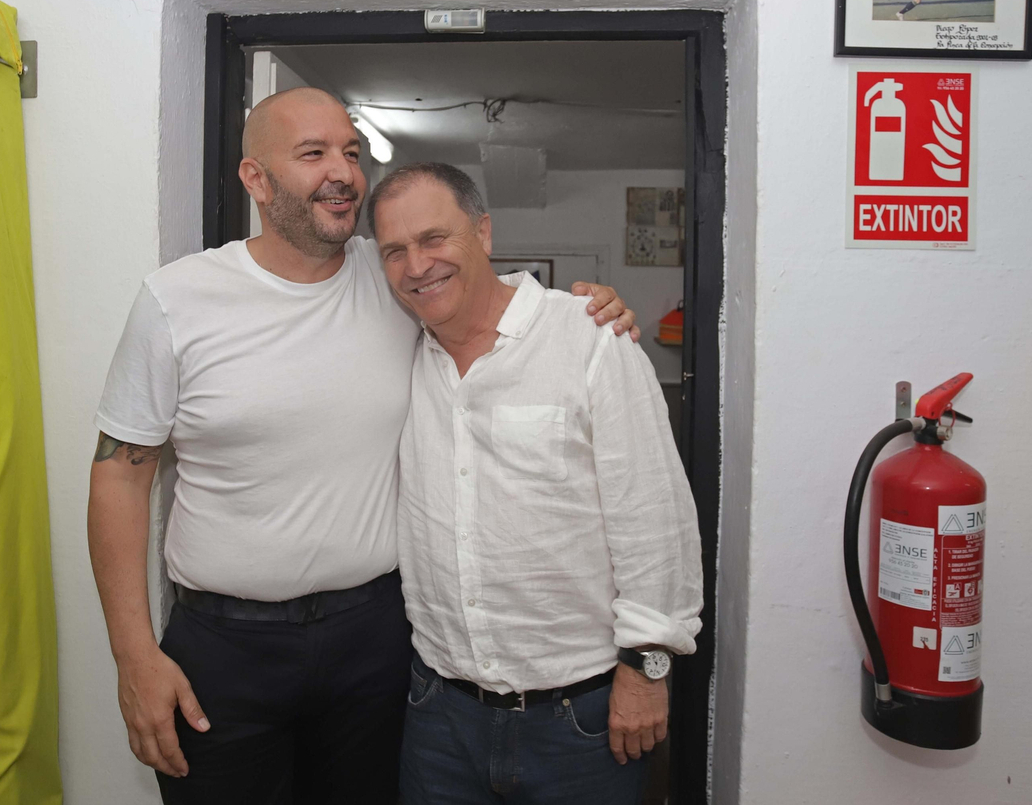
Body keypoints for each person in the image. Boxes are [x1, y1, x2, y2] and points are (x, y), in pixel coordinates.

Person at [87, 88, 636, 804]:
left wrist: (593, 312)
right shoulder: (176, 300)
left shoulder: (398, 280)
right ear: (256, 178)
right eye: (313, 154)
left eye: (351, 151)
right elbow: (119, 480)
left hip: (375, 643)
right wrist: (134, 655)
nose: (342, 172)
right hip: (224, 648)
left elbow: (497, 305)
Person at [370, 163, 703, 805]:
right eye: (395, 251)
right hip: (439, 711)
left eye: (435, 238)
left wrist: (648, 669)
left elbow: (653, 517)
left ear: (484, 232)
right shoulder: (400, 352)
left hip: (580, 718)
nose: (418, 265)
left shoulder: (589, 338)